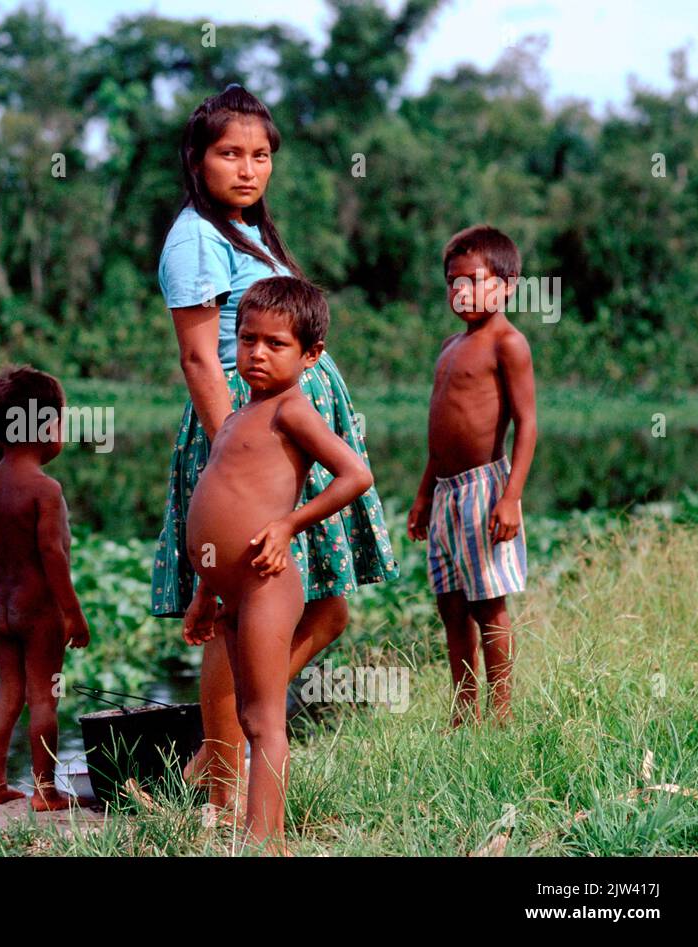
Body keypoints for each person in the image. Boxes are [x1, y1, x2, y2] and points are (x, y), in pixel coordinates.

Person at [151, 83, 398, 813]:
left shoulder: (247, 230)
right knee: (236, 609)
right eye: (230, 154)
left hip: (289, 432)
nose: (248, 168)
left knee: (324, 609)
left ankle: (229, 735)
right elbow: (201, 357)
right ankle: (225, 770)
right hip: (248, 434)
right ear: (197, 160)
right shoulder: (196, 236)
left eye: (260, 155)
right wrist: (239, 444)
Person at [186, 276, 374, 854]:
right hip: (230, 590)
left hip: (269, 584)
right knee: (247, 714)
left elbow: (356, 474)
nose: (256, 354)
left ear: (311, 355)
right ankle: (259, 833)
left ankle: (266, 842)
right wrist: (203, 593)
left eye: (275, 344)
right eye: (247, 341)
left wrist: (290, 524)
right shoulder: (241, 414)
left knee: (266, 719)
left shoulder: (292, 409)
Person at [406, 225, 537, 728]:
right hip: (445, 494)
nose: (462, 291)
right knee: (452, 606)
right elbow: (440, 437)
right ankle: (463, 709)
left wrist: (511, 498)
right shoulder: (449, 344)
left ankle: (500, 711)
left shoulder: (509, 344)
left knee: (489, 606)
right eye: (453, 281)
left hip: (486, 489)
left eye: (475, 281)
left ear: (506, 285)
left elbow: (527, 424)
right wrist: (422, 495)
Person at [0, 365, 91, 809]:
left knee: (8, 693)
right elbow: (53, 557)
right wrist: (73, 612)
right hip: (39, 608)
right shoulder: (45, 489)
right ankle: (45, 791)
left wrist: (3, 436)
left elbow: (0, 456)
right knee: (44, 696)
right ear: (44, 427)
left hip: (1, 607)